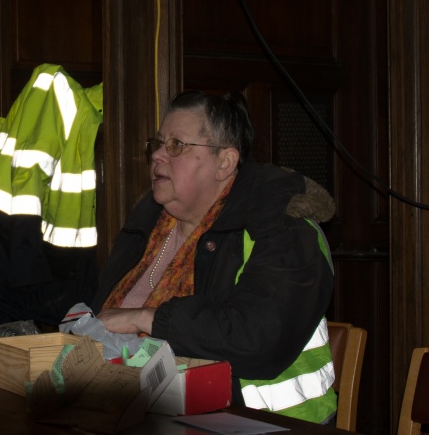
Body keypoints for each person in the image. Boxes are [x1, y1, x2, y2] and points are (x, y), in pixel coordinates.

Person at [92, 90, 338, 424]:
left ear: (225, 162)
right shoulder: (147, 225)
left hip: (267, 422)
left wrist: (144, 318)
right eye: (158, 143)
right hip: (151, 412)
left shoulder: (284, 229)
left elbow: (257, 337)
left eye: (177, 145)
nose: (158, 157)